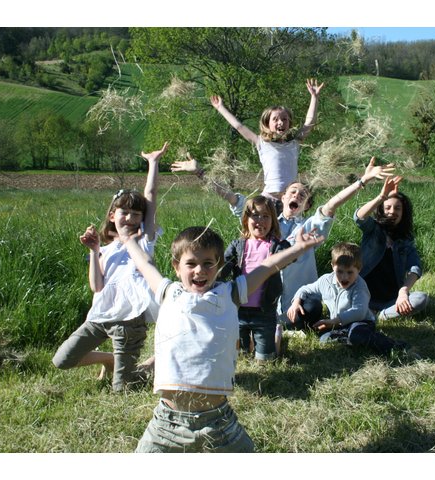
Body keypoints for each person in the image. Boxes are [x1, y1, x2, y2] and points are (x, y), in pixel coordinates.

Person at [118, 222, 323, 452]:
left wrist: (298, 248)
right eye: (191, 264)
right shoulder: (169, 293)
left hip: (218, 420)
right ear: (177, 267)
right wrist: (128, 241)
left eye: (208, 263)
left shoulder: (229, 294)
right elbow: (145, 263)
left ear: (219, 265)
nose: (199, 270)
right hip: (167, 422)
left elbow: (267, 267)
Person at [52, 142, 168, 391]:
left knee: (124, 389)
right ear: (112, 215)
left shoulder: (144, 241)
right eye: (124, 212)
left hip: (129, 321)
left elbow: (151, 197)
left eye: (136, 214)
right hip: (101, 316)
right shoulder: (105, 250)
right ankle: (110, 359)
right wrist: (94, 252)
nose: (130, 217)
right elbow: (96, 286)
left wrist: (153, 163)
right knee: (62, 360)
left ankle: (150, 365)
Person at [277, 158, 395, 327]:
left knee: (311, 309)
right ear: (283, 197)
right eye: (293, 191)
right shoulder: (269, 224)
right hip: (269, 301)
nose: (297, 195)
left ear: (307, 205)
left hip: (300, 302)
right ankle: (277, 324)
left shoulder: (309, 227)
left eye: (303, 195)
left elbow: (331, 205)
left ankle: (281, 325)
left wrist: (362, 181)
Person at [187, 79, 324, 217]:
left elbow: (309, 122)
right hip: (268, 199)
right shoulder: (262, 143)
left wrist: (314, 97)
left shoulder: (294, 143)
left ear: (289, 123)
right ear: (267, 123)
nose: (281, 122)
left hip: (290, 202)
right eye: (275, 119)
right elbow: (239, 126)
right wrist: (221, 108)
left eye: (284, 119)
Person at [287, 242, 413, 356]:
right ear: (332, 266)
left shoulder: (359, 286)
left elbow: (359, 311)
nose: (344, 277)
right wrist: (296, 302)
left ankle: (395, 346)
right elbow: (305, 289)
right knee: (324, 340)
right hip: (338, 325)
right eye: (340, 271)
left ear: (359, 269)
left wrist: (334, 321)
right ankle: (346, 337)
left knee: (357, 334)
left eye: (350, 272)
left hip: (360, 322)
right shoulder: (325, 281)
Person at [219, 196, 291, 360]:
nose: (260, 220)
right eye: (255, 215)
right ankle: (250, 343)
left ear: (273, 220)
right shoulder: (238, 245)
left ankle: (276, 336)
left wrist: (296, 248)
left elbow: (287, 257)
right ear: (246, 219)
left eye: (266, 216)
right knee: (241, 355)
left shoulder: (277, 245)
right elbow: (223, 268)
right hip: (239, 310)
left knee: (265, 360)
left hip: (264, 310)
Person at [353, 176, 429, 321]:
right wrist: (381, 197)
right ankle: (368, 311)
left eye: (397, 208)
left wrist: (403, 292)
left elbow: (415, 267)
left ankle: (381, 315)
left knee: (421, 298)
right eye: (388, 207)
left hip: (390, 300)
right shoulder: (373, 230)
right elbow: (359, 217)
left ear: (403, 212)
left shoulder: (406, 240)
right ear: (381, 209)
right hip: (362, 295)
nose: (392, 211)